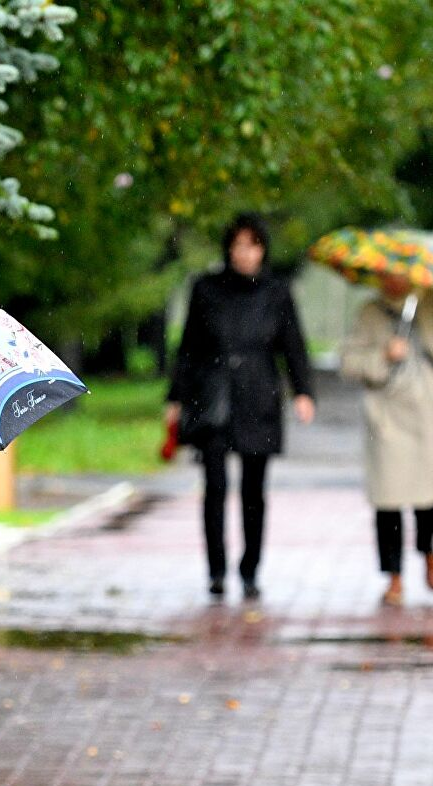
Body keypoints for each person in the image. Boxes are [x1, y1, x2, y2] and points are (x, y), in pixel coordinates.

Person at [164, 212, 317, 600]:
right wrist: (175, 399)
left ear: (262, 250)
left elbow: (293, 344)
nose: (245, 254)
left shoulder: (276, 292)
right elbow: (188, 348)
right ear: (229, 248)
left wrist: (303, 391)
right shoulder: (206, 289)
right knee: (214, 486)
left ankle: (250, 568)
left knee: (254, 490)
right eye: (238, 246)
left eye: (252, 246)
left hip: (258, 394)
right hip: (213, 395)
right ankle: (216, 569)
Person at [337, 276, 433, 606]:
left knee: (428, 494)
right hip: (387, 417)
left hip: (432, 415)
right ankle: (394, 576)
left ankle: (427, 548)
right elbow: (349, 362)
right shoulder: (370, 312)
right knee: (388, 499)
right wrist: (383, 355)